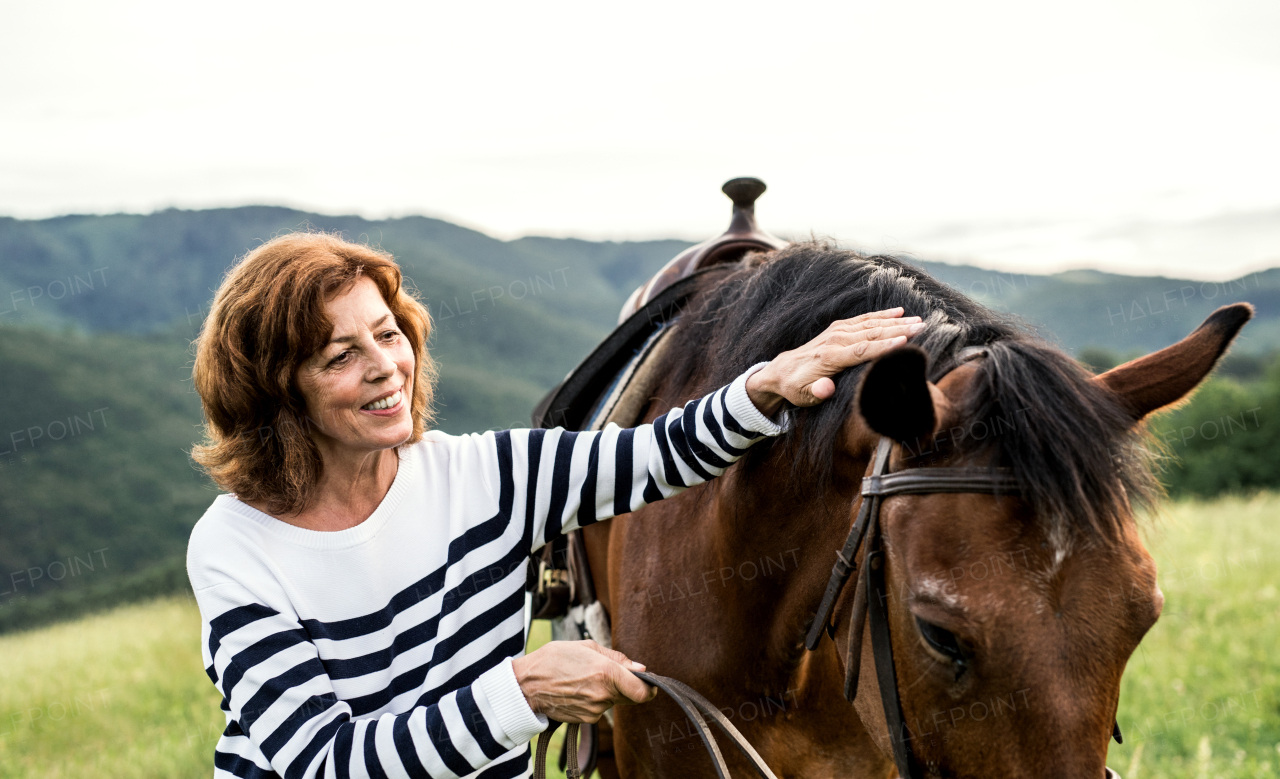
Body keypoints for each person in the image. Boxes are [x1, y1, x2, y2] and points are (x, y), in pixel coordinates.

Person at [186, 232, 923, 779]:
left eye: (388, 333)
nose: (385, 366)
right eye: (339, 355)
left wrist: (769, 383)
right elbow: (323, 762)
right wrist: (524, 688)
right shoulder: (237, 546)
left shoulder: (486, 475)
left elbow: (660, 454)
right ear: (277, 392)